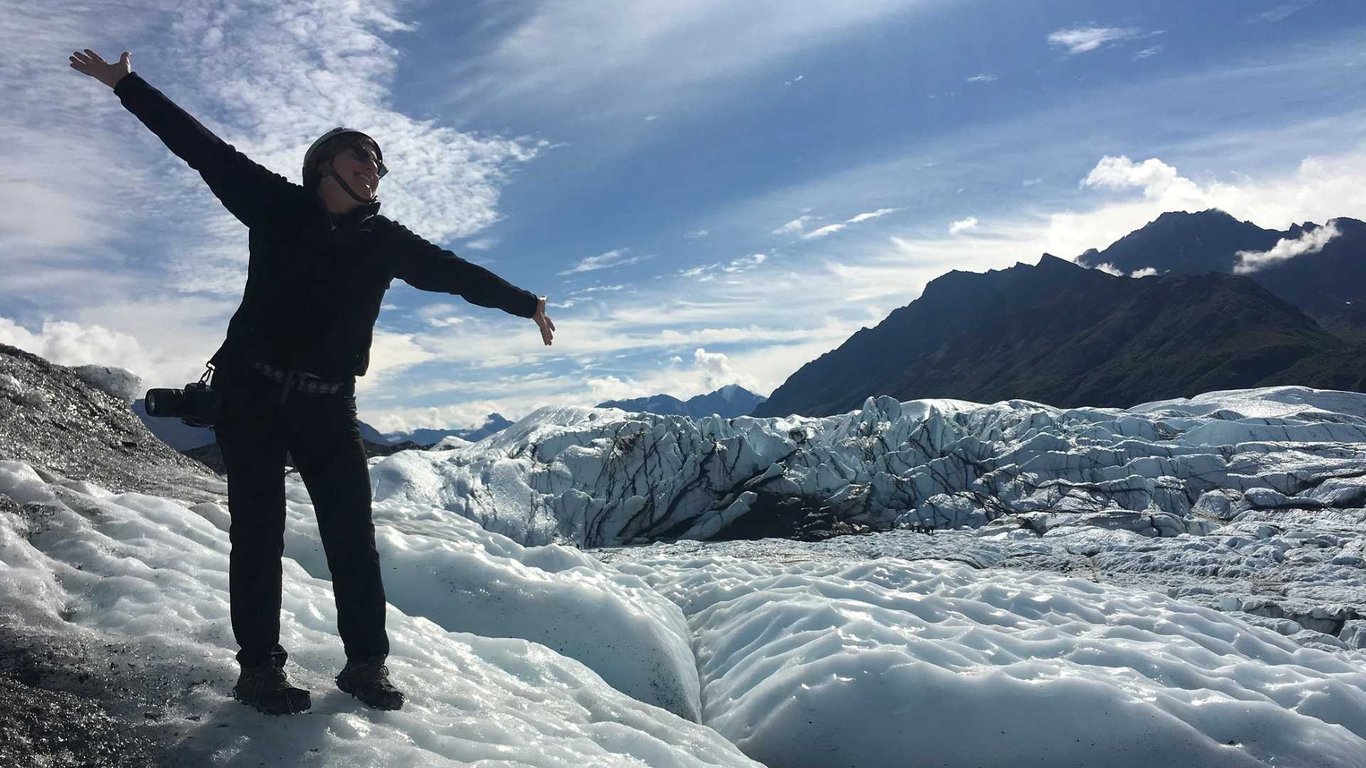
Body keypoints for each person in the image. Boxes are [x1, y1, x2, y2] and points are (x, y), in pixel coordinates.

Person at [70, 49, 555, 715]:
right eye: (362, 155)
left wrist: (525, 302)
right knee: (259, 532)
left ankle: (364, 667)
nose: (374, 168)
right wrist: (125, 84)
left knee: (352, 535)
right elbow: (202, 148)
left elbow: (455, 272)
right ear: (325, 164)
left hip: (330, 404)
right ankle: (260, 670)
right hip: (252, 393)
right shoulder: (274, 204)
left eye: (379, 163)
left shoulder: (385, 241)